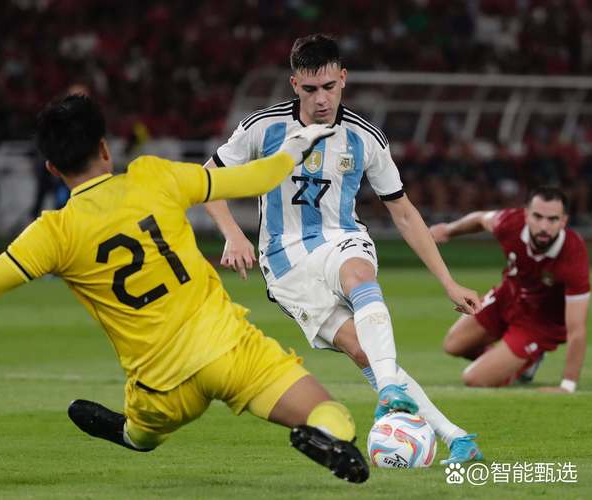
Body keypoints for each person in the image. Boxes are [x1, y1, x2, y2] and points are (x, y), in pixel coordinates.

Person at [0, 94, 370, 484]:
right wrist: (294, 149)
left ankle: (127, 433)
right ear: (105, 149)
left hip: (160, 385)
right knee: (331, 413)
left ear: (52, 169)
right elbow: (254, 179)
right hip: (231, 352)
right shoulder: (155, 177)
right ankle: (326, 438)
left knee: (143, 435)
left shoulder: (54, 233)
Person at [203, 34, 483, 464]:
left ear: (344, 79)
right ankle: (455, 436)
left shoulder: (365, 137)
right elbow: (209, 179)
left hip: (340, 237)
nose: (322, 99)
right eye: (311, 89)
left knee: (358, 274)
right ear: (294, 84)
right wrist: (232, 233)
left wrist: (448, 282)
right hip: (284, 263)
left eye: (330, 87)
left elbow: (404, 213)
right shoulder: (262, 127)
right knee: (363, 350)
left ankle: (390, 393)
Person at [430, 186, 590, 391]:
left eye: (552, 219)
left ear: (563, 221)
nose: (544, 226)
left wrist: (567, 385)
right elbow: (480, 219)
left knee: (474, 379)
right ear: (526, 215)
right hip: (507, 297)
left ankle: (517, 361)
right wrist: (448, 230)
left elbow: (577, 329)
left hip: (539, 323)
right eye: (538, 217)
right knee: (453, 345)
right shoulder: (510, 223)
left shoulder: (573, 254)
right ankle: (516, 363)